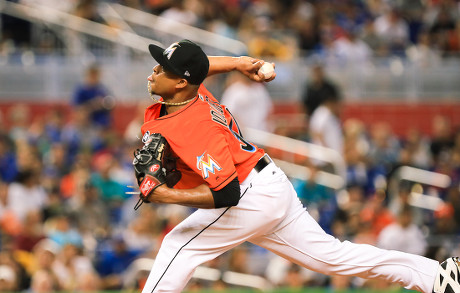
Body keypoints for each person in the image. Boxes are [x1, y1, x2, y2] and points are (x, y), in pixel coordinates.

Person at [136, 39, 458, 293]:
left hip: (248, 194)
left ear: (179, 82)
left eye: (162, 69)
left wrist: (164, 195)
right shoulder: (193, 91)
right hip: (268, 183)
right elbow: (201, 69)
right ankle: (436, 277)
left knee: (179, 245)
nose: (153, 71)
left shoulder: (194, 125)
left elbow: (226, 193)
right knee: (333, 257)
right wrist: (237, 63)